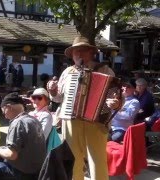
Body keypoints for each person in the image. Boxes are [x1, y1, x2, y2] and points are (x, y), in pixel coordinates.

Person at [47, 36, 119, 180]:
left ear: (92, 53)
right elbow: (58, 98)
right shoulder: (67, 72)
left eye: (83, 51)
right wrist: (52, 91)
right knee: (73, 160)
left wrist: (115, 103)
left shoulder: (105, 70)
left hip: (97, 123)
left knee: (97, 161)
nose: (78, 54)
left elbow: (116, 97)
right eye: (75, 52)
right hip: (70, 121)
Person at [0, 92, 46, 179]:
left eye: (4, 111)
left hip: (21, 173)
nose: (5, 116)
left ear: (9, 107)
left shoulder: (18, 123)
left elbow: (11, 154)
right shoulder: (33, 120)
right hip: (37, 171)